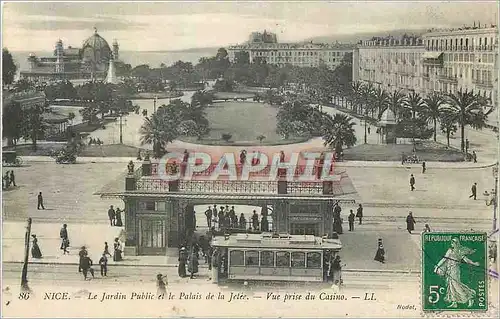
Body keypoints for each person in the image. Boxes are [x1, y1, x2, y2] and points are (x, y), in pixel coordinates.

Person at [434, 238, 480, 308]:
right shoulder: (450, 250)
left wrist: (474, 263)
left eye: (453, 243)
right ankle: (454, 302)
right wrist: (437, 266)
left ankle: (470, 297)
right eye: (451, 243)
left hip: (455, 270)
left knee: (456, 285)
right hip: (449, 270)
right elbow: (444, 259)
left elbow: (466, 260)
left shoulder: (459, 251)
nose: (451, 244)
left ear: (456, 244)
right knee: (451, 285)